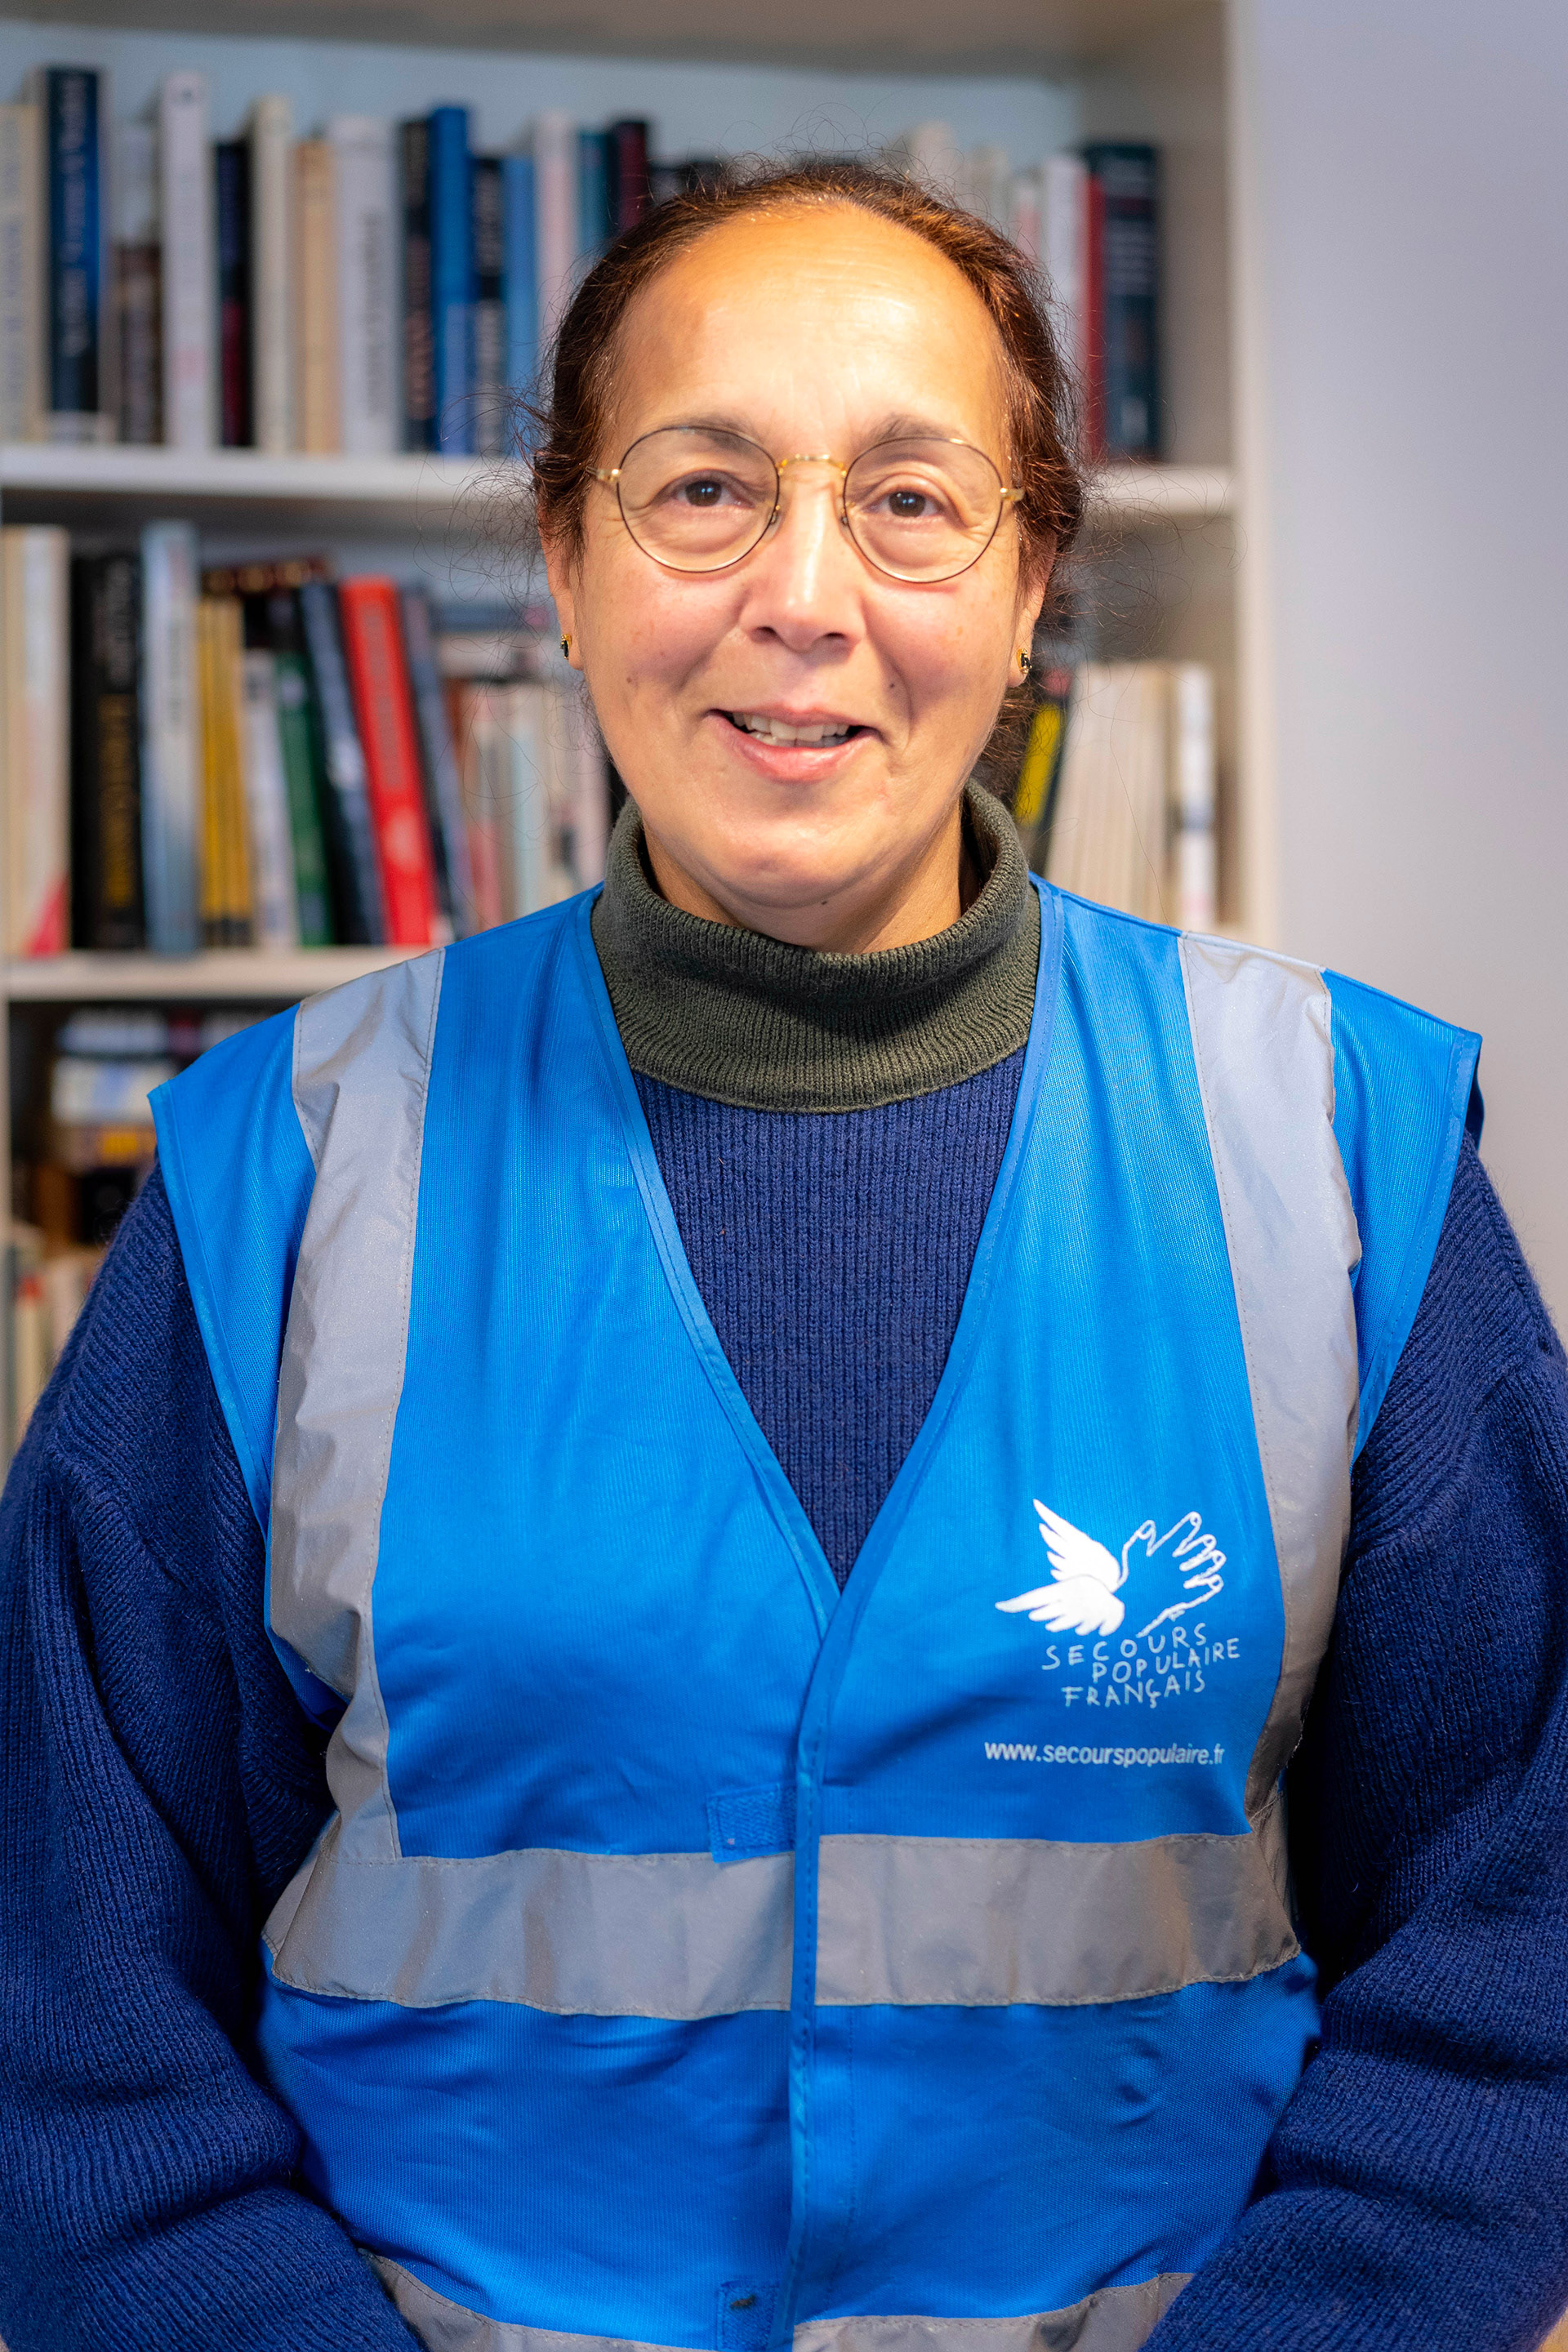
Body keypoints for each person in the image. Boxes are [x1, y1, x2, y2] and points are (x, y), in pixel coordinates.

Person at [2, 160, 1568, 2352]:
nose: (804, 597)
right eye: (703, 490)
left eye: (913, 503)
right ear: (565, 563)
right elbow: (73, 2025)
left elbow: (1515, 1965)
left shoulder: (1338, 1149)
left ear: (1029, 591)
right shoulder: (289, 1165)